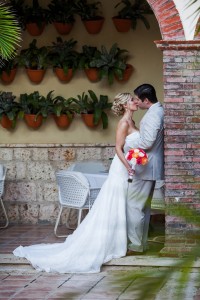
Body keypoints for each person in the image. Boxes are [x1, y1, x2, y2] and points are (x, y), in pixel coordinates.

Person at [13, 93, 141, 274]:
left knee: (122, 204)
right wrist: (129, 166)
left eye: (136, 99)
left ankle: (120, 242)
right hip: (121, 168)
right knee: (115, 202)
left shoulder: (133, 123)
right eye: (133, 100)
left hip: (128, 166)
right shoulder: (124, 123)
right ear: (125, 105)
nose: (136, 102)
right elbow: (118, 148)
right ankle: (110, 244)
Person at [126, 83, 164, 254]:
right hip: (151, 166)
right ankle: (142, 243)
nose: (136, 102)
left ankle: (135, 245)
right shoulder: (158, 110)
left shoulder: (153, 115)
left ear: (146, 100)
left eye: (138, 99)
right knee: (143, 207)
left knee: (134, 205)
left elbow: (147, 143)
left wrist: (132, 144)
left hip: (146, 166)